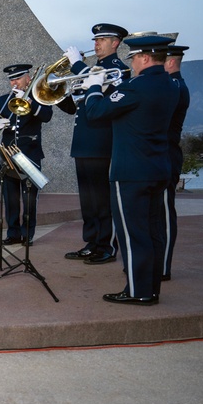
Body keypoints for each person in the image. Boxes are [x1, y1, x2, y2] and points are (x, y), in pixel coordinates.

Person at [83, 34, 180, 305]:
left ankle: (138, 292)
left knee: (132, 234)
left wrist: (93, 87)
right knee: (153, 232)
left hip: (130, 173)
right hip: (158, 168)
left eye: (135, 57)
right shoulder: (171, 85)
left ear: (145, 57)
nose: (133, 62)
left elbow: (96, 112)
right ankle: (151, 289)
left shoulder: (136, 87)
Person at [58, 23, 130, 264]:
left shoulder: (118, 70)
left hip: (102, 144)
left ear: (116, 43)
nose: (96, 44)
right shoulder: (90, 72)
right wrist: (56, 92)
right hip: (83, 144)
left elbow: (102, 96)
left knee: (102, 198)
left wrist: (77, 65)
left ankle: (107, 246)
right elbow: (72, 108)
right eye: (96, 40)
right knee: (88, 200)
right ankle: (92, 242)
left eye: (102, 40)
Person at [0, 64, 53, 245]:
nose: (14, 83)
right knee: (10, 198)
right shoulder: (3, 100)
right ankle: (13, 233)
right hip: (8, 156)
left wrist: (31, 104)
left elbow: (47, 116)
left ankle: (27, 234)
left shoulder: (38, 97)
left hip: (30, 155)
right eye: (11, 79)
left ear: (28, 78)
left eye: (17, 78)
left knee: (29, 197)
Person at [162, 42, 190, 281]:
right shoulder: (168, 86)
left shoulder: (176, 87)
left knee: (164, 214)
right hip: (159, 154)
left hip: (167, 154)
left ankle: (163, 266)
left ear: (171, 62)